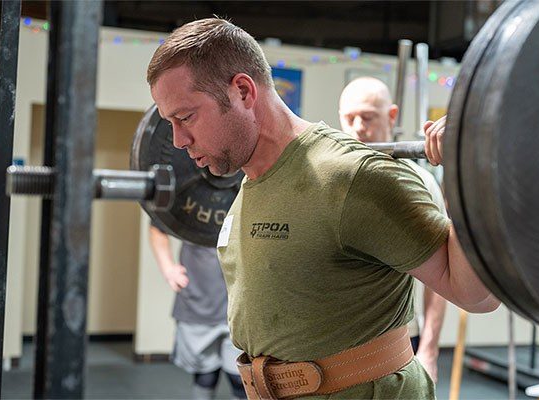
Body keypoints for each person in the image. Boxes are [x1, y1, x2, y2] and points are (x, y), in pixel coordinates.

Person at [147, 18, 500, 399]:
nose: (178, 140)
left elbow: (478, 296)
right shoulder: (250, 181)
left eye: (185, 118)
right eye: (170, 123)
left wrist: (469, 175)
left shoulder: (352, 177)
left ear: (243, 92)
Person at [338, 76, 447, 382]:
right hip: (334, 349)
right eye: (350, 118)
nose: (358, 127)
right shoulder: (332, 178)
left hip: (395, 346)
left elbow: (440, 279)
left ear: (392, 116)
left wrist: (429, 350)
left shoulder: (420, 184)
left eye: (368, 117)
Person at [148, 223, 246, 400]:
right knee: (205, 376)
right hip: (198, 302)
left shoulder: (247, 196)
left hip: (240, 307)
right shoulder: (189, 197)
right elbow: (158, 225)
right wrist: (168, 268)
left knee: (241, 378)